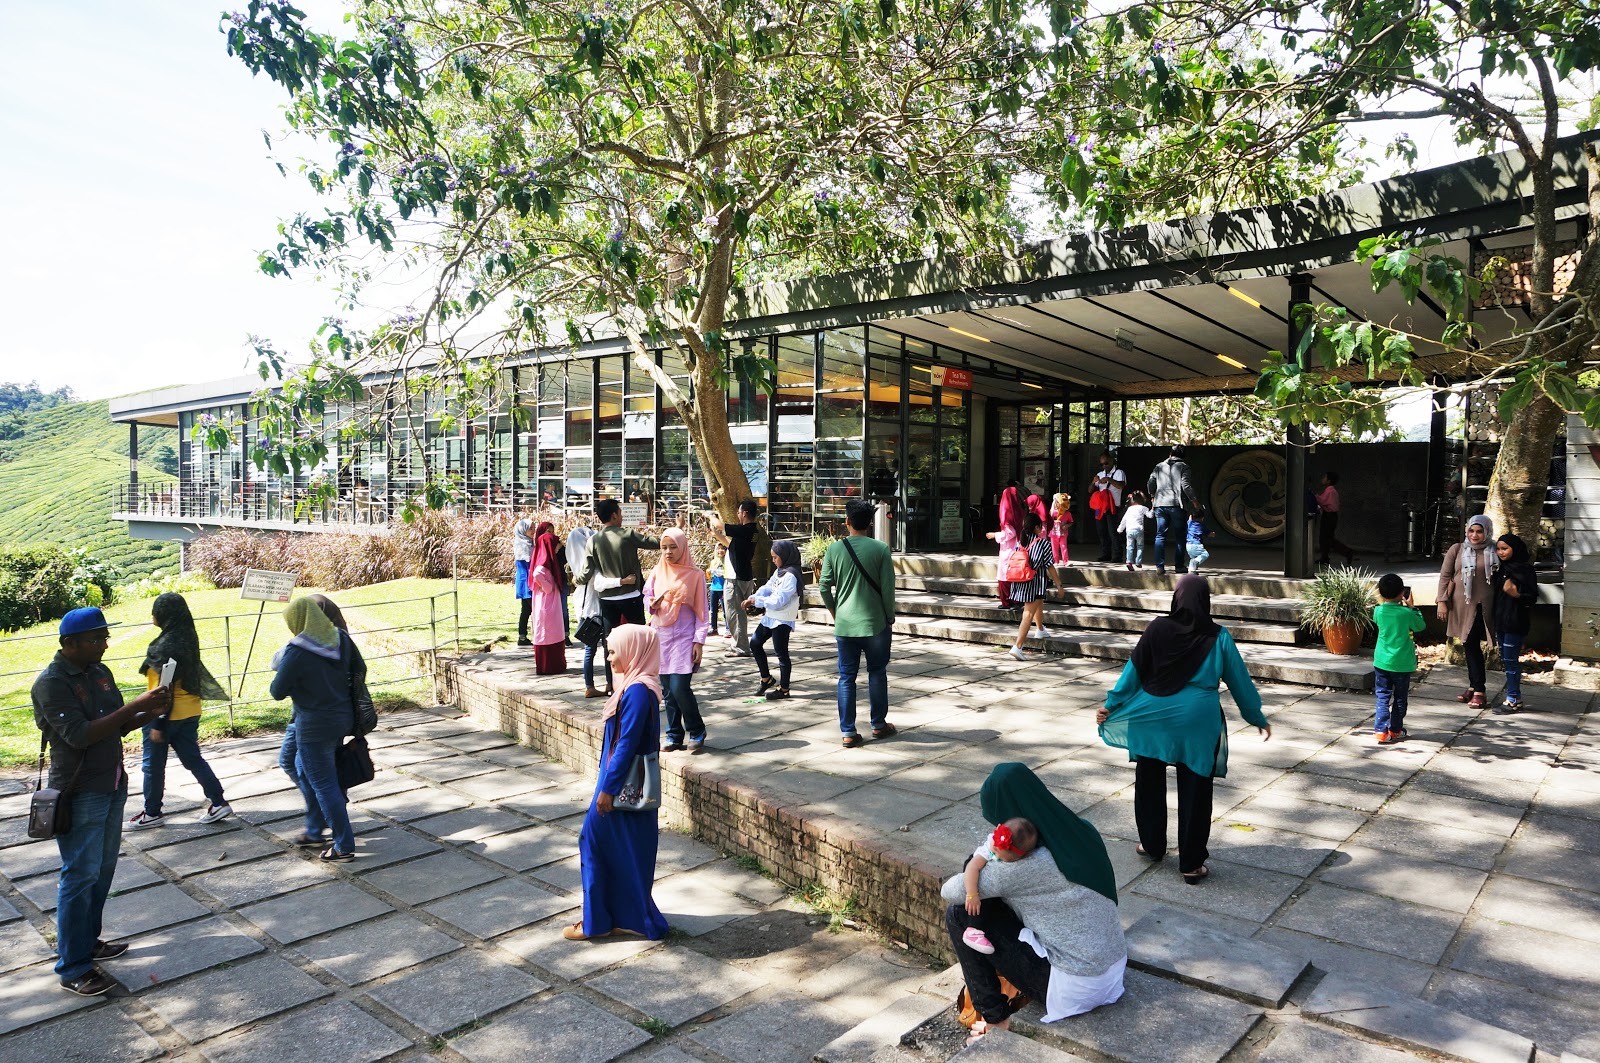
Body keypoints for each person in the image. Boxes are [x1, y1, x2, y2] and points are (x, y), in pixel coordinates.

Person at [33, 607, 171, 996]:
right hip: (80, 792)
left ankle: (87, 943)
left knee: (102, 871)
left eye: (105, 637)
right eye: (96, 639)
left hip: (112, 783)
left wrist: (148, 711)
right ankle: (73, 966)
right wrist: (136, 705)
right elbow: (79, 735)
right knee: (79, 876)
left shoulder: (100, 672)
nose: (104, 645)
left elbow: (117, 723)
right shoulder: (52, 682)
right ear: (69, 644)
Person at [1096, 576, 1271, 884]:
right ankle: (1190, 864)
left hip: (1151, 716)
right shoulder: (1218, 636)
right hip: (1197, 721)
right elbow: (1239, 682)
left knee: (1148, 780)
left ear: (1176, 599)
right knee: (1196, 790)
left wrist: (1111, 705)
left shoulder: (1157, 628)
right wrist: (1255, 716)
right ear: (1206, 601)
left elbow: (1132, 673)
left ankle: (1152, 846)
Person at [941, 764, 1125, 1042]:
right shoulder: (1081, 831)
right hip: (1112, 966)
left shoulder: (1024, 867)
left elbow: (950, 890)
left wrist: (984, 853)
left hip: (1075, 984)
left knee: (959, 914)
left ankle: (995, 1019)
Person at [566, 624, 670, 942]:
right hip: (620, 781)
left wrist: (608, 789)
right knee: (623, 850)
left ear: (634, 651)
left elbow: (626, 744)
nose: (610, 658)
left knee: (593, 842)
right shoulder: (634, 685)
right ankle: (627, 918)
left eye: (614, 651)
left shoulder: (638, 690)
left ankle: (598, 921)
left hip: (621, 784)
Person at [270, 597, 364, 862]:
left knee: (324, 784)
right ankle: (320, 821)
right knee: (300, 767)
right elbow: (360, 669)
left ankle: (343, 845)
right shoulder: (340, 638)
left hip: (313, 725)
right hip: (342, 718)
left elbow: (277, 691)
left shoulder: (298, 650)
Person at [128, 592, 233, 829]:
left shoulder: (166, 645)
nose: (153, 615)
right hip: (190, 711)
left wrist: (158, 723)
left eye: (156, 610)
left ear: (165, 615)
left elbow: (165, 687)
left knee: (153, 766)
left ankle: (152, 813)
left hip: (164, 714)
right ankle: (218, 801)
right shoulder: (186, 636)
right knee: (193, 759)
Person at [819, 499, 897, 748]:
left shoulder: (834, 550)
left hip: (845, 625)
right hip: (875, 624)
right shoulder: (881, 549)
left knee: (846, 677)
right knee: (877, 673)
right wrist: (889, 617)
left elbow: (823, 586)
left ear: (847, 522)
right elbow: (887, 589)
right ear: (871, 523)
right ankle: (878, 724)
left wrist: (835, 612)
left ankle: (848, 732)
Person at [645, 527, 710, 753]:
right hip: (661, 637)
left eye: (673, 547)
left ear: (682, 547)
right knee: (667, 690)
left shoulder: (695, 576)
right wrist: (651, 603)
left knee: (679, 687)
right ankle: (674, 734)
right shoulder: (657, 571)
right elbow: (647, 596)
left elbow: (703, 612)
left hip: (684, 637)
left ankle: (697, 730)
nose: (668, 552)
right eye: (664, 547)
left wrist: (698, 642)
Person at [953, 818, 1039, 955]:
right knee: (982, 902)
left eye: (1001, 856)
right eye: (996, 852)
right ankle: (973, 929)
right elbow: (971, 868)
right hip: (976, 873)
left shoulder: (1008, 848)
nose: (995, 852)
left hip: (996, 880)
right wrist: (972, 894)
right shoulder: (991, 847)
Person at [1437, 515, 1496, 708]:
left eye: (1479, 531)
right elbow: (1445, 576)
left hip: (1483, 606)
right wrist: (1442, 602)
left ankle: (1479, 690)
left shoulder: (1495, 549)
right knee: (1469, 645)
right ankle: (1474, 687)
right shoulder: (1458, 549)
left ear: (1487, 531)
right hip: (1461, 605)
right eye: (1471, 531)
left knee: (1472, 643)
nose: (1475, 535)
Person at [577, 498, 660, 628]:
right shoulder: (627, 535)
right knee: (637, 636)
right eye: (620, 513)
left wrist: (577, 580)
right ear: (614, 515)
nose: (622, 516)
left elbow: (587, 571)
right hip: (631, 594)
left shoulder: (593, 541)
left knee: (611, 640)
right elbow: (655, 543)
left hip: (607, 598)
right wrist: (677, 529)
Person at [1371, 574, 1425, 744]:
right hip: (1402, 663)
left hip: (1381, 662)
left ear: (1380, 592)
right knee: (1400, 698)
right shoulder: (1406, 613)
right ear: (1402, 593)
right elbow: (1420, 626)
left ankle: (1380, 730)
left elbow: (1378, 619)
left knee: (1383, 696)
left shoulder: (1378, 611)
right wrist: (1413, 608)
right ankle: (1395, 730)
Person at [747, 540, 803, 700]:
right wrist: (755, 597)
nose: (773, 560)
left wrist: (758, 602)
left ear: (784, 556)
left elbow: (780, 600)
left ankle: (784, 689)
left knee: (781, 653)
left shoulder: (791, 575)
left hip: (783, 619)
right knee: (755, 643)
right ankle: (766, 678)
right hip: (771, 616)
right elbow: (768, 587)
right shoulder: (780, 571)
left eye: (775, 557)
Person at [1491, 533, 1538, 715]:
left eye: (1505, 549)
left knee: (1511, 661)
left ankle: (1513, 699)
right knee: (1506, 660)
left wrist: (1515, 594)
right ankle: (1514, 697)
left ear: (1514, 549)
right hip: (1501, 621)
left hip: (1515, 622)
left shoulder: (1525, 570)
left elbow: (1531, 598)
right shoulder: (1501, 569)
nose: (1501, 553)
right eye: (1499, 549)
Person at [707, 500, 760, 656]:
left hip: (736, 579)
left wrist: (709, 515)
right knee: (736, 613)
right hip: (741, 576)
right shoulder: (751, 532)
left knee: (735, 613)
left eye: (738, 512)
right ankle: (739, 644)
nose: (737, 515)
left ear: (744, 513)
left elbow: (720, 524)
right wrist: (716, 535)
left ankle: (741, 647)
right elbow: (732, 547)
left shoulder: (747, 530)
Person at [1007, 512, 1064, 657]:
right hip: (1034, 583)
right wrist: (1059, 585)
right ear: (1037, 527)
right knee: (1028, 614)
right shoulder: (1043, 543)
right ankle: (1018, 647)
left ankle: (1040, 629)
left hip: (1020, 581)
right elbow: (1050, 566)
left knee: (1039, 602)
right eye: (1041, 526)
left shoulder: (1020, 543)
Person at [567, 524, 613, 699]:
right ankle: (605, 683)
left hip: (586, 607)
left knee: (591, 648)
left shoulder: (575, 561)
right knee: (605, 647)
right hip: (597, 606)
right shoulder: (590, 563)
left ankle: (592, 684)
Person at [1148, 445, 1197, 575]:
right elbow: (1185, 485)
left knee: (1160, 535)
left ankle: (1159, 566)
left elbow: (1150, 482)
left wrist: (1153, 496)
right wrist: (1194, 501)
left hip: (1160, 504)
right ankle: (1179, 566)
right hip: (1176, 504)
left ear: (1170, 453)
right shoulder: (1184, 467)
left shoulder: (1159, 466)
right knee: (1180, 536)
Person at [527, 520, 568, 674]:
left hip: (549, 601)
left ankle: (556, 664)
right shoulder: (543, 563)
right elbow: (537, 574)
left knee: (554, 631)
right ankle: (547, 665)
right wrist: (548, 587)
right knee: (547, 632)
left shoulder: (550, 562)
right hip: (546, 602)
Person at [987, 485, 1026, 609]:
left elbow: (1009, 533)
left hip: (1009, 549)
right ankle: (1015, 600)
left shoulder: (1007, 513)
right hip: (1017, 547)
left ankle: (1009, 601)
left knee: (1005, 575)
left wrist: (995, 535)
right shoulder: (1019, 511)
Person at [1091, 452, 1127, 563]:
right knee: (1102, 531)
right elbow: (1090, 490)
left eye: (1106, 463)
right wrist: (1093, 482)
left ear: (1111, 461)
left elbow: (1121, 485)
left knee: (1113, 531)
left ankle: (1117, 555)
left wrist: (1109, 480)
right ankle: (1105, 554)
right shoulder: (1100, 474)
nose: (1104, 466)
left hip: (1113, 506)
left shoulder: (1119, 473)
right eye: (1102, 464)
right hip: (1101, 506)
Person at [1316, 471, 1356, 565]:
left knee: (1328, 539)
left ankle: (1347, 552)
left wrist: (1314, 496)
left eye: (1325, 477)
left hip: (1329, 516)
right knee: (1324, 538)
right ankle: (1324, 557)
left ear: (1329, 480)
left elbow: (1322, 501)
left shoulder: (1330, 491)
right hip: (1329, 515)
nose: (1323, 479)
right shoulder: (1330, 490)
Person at [513, 511, 537, 646]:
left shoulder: (528, 542)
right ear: (523, 530)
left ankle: (522, 636)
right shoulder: (523, 546)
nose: (533, 530)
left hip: (528, 580)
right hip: (526, 581)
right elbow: (527, 565)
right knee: (532, 608)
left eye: (534, 528)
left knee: (526, 610)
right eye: (530, 528)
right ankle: (525, 636)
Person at [1118, 490, 1152, 571]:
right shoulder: (1143, 508)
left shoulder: (1129, 509)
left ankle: (1129, 561)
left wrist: (1120, 529)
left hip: (1129, 530)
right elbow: (1150, 515)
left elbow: (1124, 520)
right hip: (1139, 530)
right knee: (1140, 546)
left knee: (1129, 547)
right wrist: (1153, 508)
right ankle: (1138, 561)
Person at [1184, 503, 1213, 574]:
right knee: (1205, 554)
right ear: (1202, 518)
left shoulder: (1189, 523)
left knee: (1193, 558)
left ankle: (1191, 570)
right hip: (1196, 545)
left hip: (1188, 545)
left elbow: (1190, 517)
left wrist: (1194, 510)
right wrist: (1212, 534)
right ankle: (1194, 564)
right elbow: (1209, 534)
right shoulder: (1201, 526)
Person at [709, 542, 728, 638]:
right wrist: (710, 572)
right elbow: (709, 576)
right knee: (713, 610)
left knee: (726, 610)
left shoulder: (728, 561)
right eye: (718, 548)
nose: (720, 550)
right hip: (714, 587)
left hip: (724, 588)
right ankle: (713, 628)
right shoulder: (713, 562)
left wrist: (723, 573)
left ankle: (728, 629)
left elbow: (729, 574)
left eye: (722, 548)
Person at [1049, 491, 1073, 565]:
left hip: (1063, 532)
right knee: (1054, 547)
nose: (1057, 505)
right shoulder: (1052, 512)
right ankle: (1055, 561)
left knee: (1063, 546)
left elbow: (1071, 522)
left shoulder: (1067, 513)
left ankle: (1065, 561)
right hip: (1053, 532)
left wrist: (1066, 526)